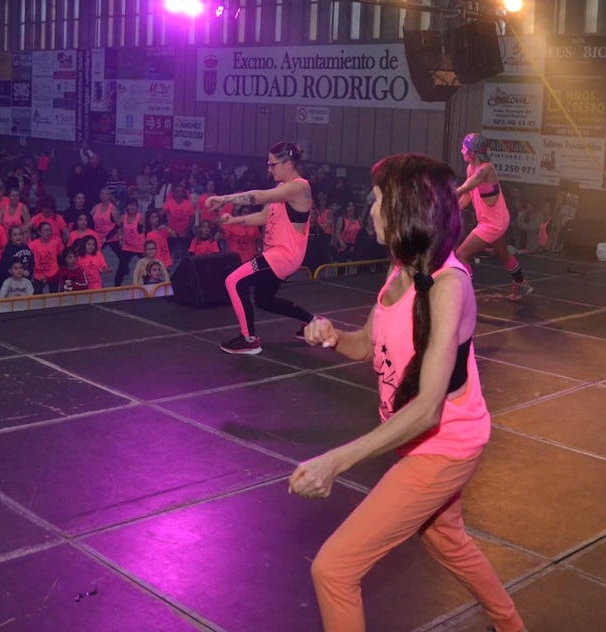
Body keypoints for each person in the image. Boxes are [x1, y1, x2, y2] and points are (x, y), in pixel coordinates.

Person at [290, 153, 526, 632]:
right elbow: (365, 347)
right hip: (423, 440)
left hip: (444, 446)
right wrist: (333, 336)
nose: (370, 211)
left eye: (378, 201)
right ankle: (511, 625)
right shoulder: (400, 270)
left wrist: (334, 461)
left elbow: (428, 409)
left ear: (405, 210)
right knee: (445, 536)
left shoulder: (447, 287)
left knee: (334, 569)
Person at [207, 142, 315, 355]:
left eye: (272, 164)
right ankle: (312, 323)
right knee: (264, 301)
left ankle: (249, 340)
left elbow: (260, 197)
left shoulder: (299, 187)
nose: (269, 169)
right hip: (275, 254)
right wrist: (234, 220)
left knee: (233, 281)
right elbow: (263, 216)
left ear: (288, 164)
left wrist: (223, 199)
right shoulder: (282, 188)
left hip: (282, 255)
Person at [453, 133, 532, 302]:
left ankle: (467, 295)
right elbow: (469, 192)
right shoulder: (471, 169)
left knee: (460, 254)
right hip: (496, 220)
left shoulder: (486, 169)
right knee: (502, 253)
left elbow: (470, 184)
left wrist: (451, 193)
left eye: (464, 148)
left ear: (472, 153)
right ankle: (522, 284)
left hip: (492, 224)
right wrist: (453, 208)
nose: (462, 151)